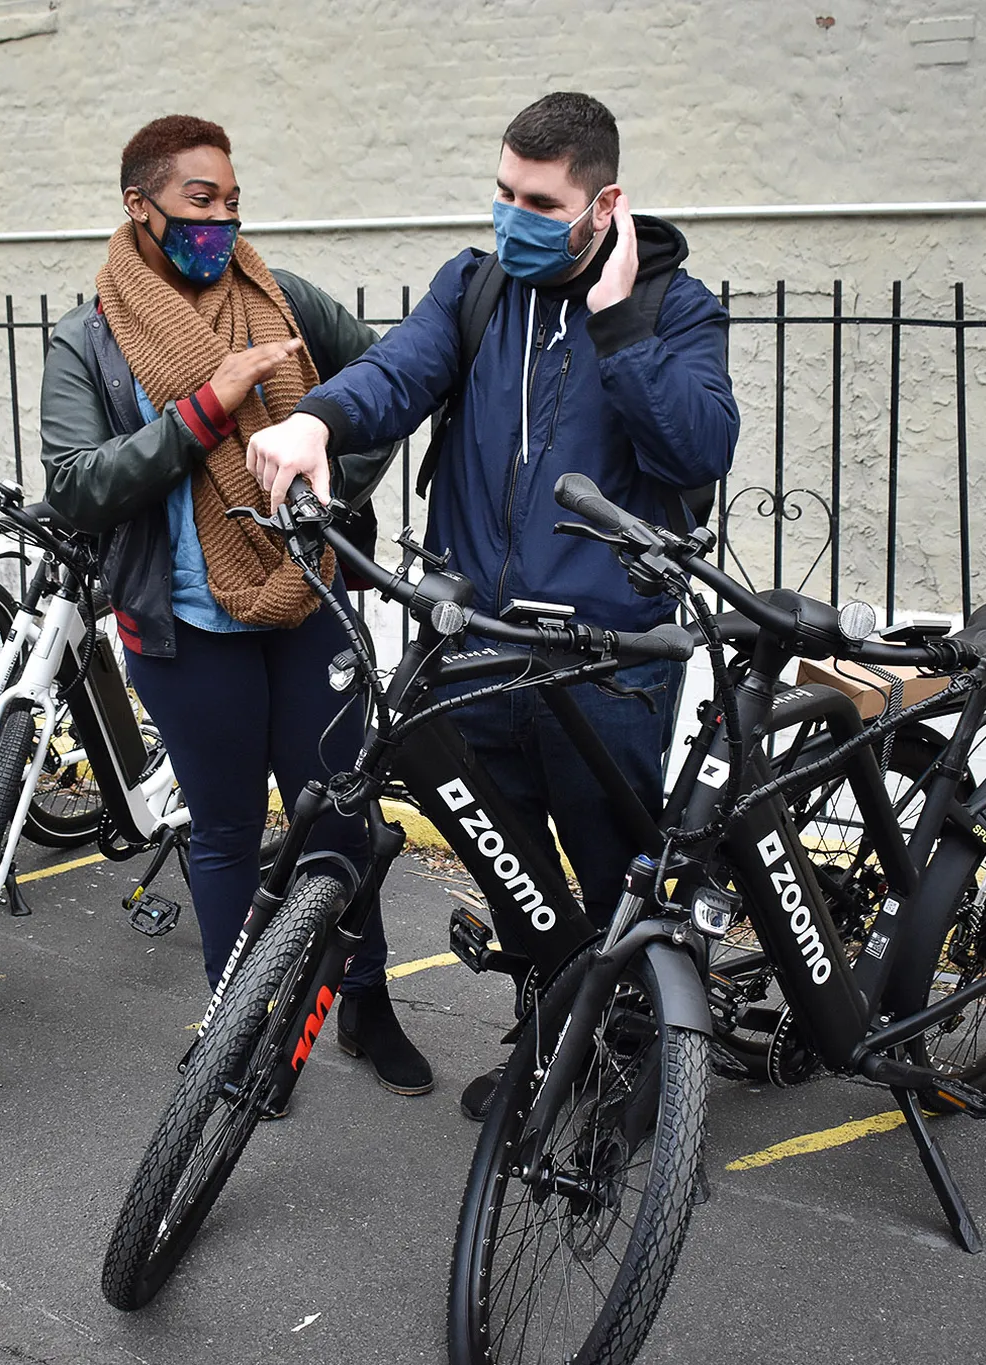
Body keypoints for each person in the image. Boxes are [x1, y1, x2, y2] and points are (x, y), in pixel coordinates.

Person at [245, 92, 740, 1117]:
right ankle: (550, 1036)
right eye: (502, 191)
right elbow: (396, 371)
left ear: (605, 205)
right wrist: (315, 424)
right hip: (474, 647)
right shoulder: (474, 289)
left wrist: (614, 326)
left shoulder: (672, 308)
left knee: (613, 887)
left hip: (606, 665)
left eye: (539, 200)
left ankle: (623, 1081)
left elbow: (697, 449)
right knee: (517, 882)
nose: (512, 214)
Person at [41, 115, 432, 1096]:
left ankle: (366, 1005)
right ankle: (240, 1027)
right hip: (183, 629)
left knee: (342, 819)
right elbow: (76, 485)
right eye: (198, 200)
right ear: (142, 207)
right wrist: (203, 412)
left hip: (305, 601)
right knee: (222, 832)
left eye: (231, 200)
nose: (220, 219)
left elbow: (379, 387)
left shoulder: (281, 299)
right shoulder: (90, 338)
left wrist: (338, 487)